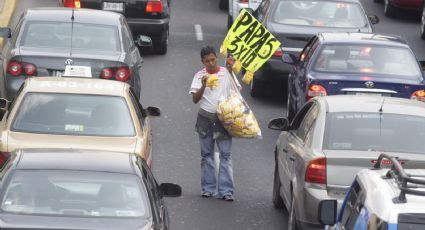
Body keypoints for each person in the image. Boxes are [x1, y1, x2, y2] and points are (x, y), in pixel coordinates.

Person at [189, 46, 239, 202]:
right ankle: (208, 188)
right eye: (207, 61)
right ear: (202, 61)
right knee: (206, 156)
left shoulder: (225, 72)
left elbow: (236, 91)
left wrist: (231, 71)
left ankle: (226, 191)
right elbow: (195, 99)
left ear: (216, 57)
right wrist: (203, 85)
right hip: (205, 118)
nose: (211, 63)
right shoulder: (199, 76)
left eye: (213, 59)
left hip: (223, 118)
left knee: (225, 155)